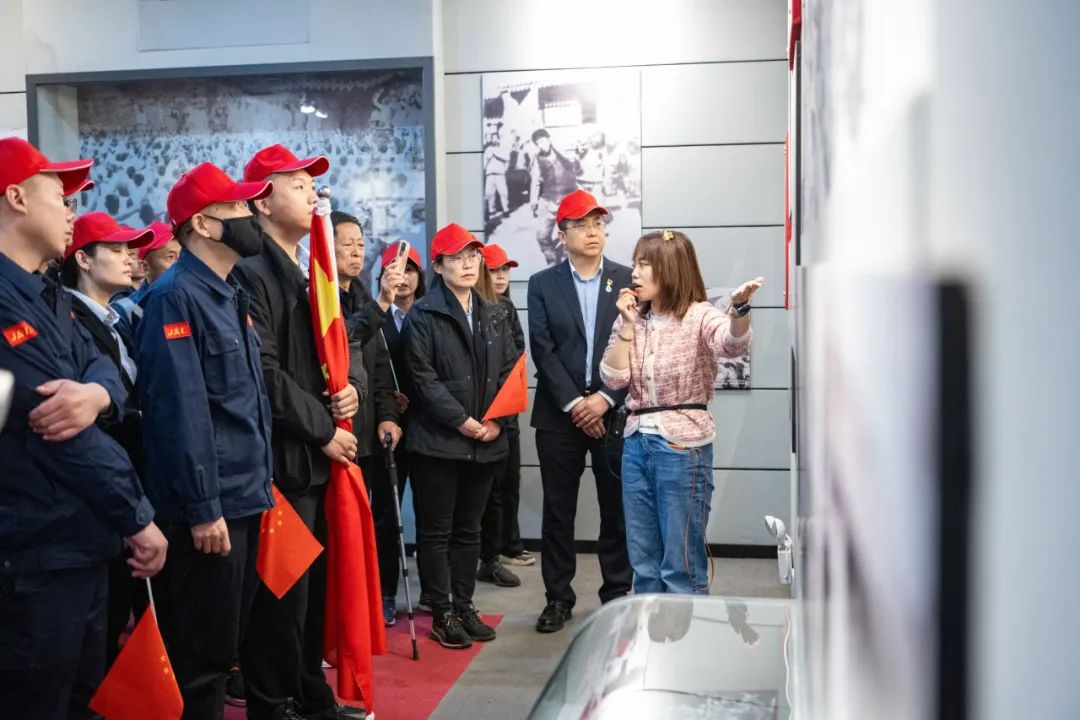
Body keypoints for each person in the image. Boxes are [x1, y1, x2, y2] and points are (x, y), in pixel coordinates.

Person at [0, 137, 167, 718]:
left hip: (78, 541)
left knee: (86, 697)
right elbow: (59, 432)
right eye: (60, 196)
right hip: (33, 554)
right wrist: (136, 515)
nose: (71, 212)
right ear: (16, 198)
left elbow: (103, 368)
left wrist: (96, 394)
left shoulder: (47, 294)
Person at [234, 144, 401, 720]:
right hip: (286, 459)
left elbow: (328, 353)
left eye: (313, 185)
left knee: (313, 591)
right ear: (262, 200)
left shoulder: (307, 271)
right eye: (298, 184)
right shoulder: (251, 273)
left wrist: (348, 390)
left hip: (315, 457)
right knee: (281, 595)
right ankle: (274, 700)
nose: (313, 194)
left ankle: (307, 692)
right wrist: (324, 429)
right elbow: (265, 374)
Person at [137, 162, 276, 718]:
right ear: (201, 223)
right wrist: (202, 507)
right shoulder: (174, 297)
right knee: (201, 660)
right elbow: (180, 412)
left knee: (224, 646)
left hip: (243, 496)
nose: (250, 216)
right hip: (209, 510)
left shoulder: (228, 292)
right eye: (237, 208)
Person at [599, 230, 762, 594]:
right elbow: (613, 378)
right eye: (635, 263)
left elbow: (731, 344)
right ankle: (651, 628)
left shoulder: (699, 314)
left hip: (682, 446)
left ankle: (686, 630)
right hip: (635, 444)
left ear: (670, 268)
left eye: (644, 264)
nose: (634, 273)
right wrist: (627, 326)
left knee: (681, 564)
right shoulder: (631, 318)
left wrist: (739, 310)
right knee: (643, 562)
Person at [401, 224, 518, 649]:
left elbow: (510, 369)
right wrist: (463, 421)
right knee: (437, 531)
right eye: (456, 258)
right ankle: (442, 612)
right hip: (439, 442)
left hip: (487, 440)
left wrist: (496, 420)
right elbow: (422, 379)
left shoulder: (494, 311)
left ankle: (465, 605)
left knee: (470, 529)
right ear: (438, 266)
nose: (468, 265)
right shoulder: (423, 315)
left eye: (473, 257)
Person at [527, 189, 633, 634]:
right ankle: (558, 597)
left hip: (614, 413)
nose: (593, 232)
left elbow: (636, 345)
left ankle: (617, 595)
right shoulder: (542, 283)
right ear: (562, 234)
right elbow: (543, 349)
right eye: (582, 225)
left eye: (598, 224)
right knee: (558, 512)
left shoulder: (627, 280)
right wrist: (576, 404)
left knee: (616, 511)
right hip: (559, 417)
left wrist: (604, 399)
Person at [60, 211, 155, 664]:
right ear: (82, 258)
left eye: (130, 249)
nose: (129, 258)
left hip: (129, 480)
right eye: (115, 249)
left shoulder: (119, 320)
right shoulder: (69, 318)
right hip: (97, 492)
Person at [331, 211, 403, 628]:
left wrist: (388, 415)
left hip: (370, 433)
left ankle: (379, 597)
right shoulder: (319, 297)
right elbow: (342, 339)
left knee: (378, 521)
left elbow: (380, 367)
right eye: (347, 244)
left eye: (361, 244)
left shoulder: (360, 294)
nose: (357, 252)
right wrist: (382, 303)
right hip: (337, 434)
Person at [376, 241, 429, 611]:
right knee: (385, 514)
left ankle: (432, 592)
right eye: (394, 270)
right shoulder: (375, 317)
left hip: (428, 426)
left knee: (430, 513)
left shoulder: (431, 315)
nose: (403, 277)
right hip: (388, 427)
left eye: (410, 270)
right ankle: (386, 592)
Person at [477, 243, 532, 589]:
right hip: (479, 416)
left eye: (505, 270)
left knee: (510, 482)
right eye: (494, 270)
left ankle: (505, 547)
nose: (501, 277)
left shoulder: (507, 308)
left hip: (507, 412)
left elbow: (517, 356)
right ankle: (490, 553)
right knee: (490, 490)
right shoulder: (476, 307)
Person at [112, 221, 181, 339]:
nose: (180, 264)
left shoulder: (197, 299)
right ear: (145, 267)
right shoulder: (126, 312)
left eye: (182, 256)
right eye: (171, 257)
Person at [529, 129, 581, 266]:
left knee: (570, 234)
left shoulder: (564, 154)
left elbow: (578, 169)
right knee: (541, 235)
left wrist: (576, 160)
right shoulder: (537, 160)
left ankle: (566, 258)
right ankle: (552, 259)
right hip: (548, 201)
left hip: (568, 201)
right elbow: (535, 182)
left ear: (549, 139)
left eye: (543, 140)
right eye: (538, 143)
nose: (541, 145)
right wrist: (533, 203)